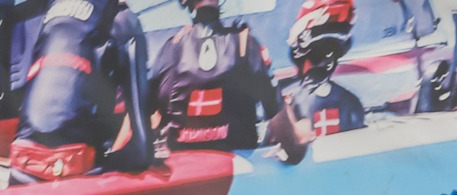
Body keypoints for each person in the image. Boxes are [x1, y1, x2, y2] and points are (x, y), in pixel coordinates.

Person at [10, 0, 156, 179]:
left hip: (21, 165)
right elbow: (141, 151)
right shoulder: (123, 20)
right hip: (75, 172)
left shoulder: (50, 16)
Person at [149, 0, 307, 161]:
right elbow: (289, 143)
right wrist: (302, 134)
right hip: (238, 178)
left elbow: (144, 126)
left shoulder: (171, 49)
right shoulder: (245, 44)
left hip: (184, 177)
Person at [282, 0, 367, 138]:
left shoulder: (350, 104)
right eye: (318, 53)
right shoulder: (288, 102)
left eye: (333, 52)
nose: (327, 60)